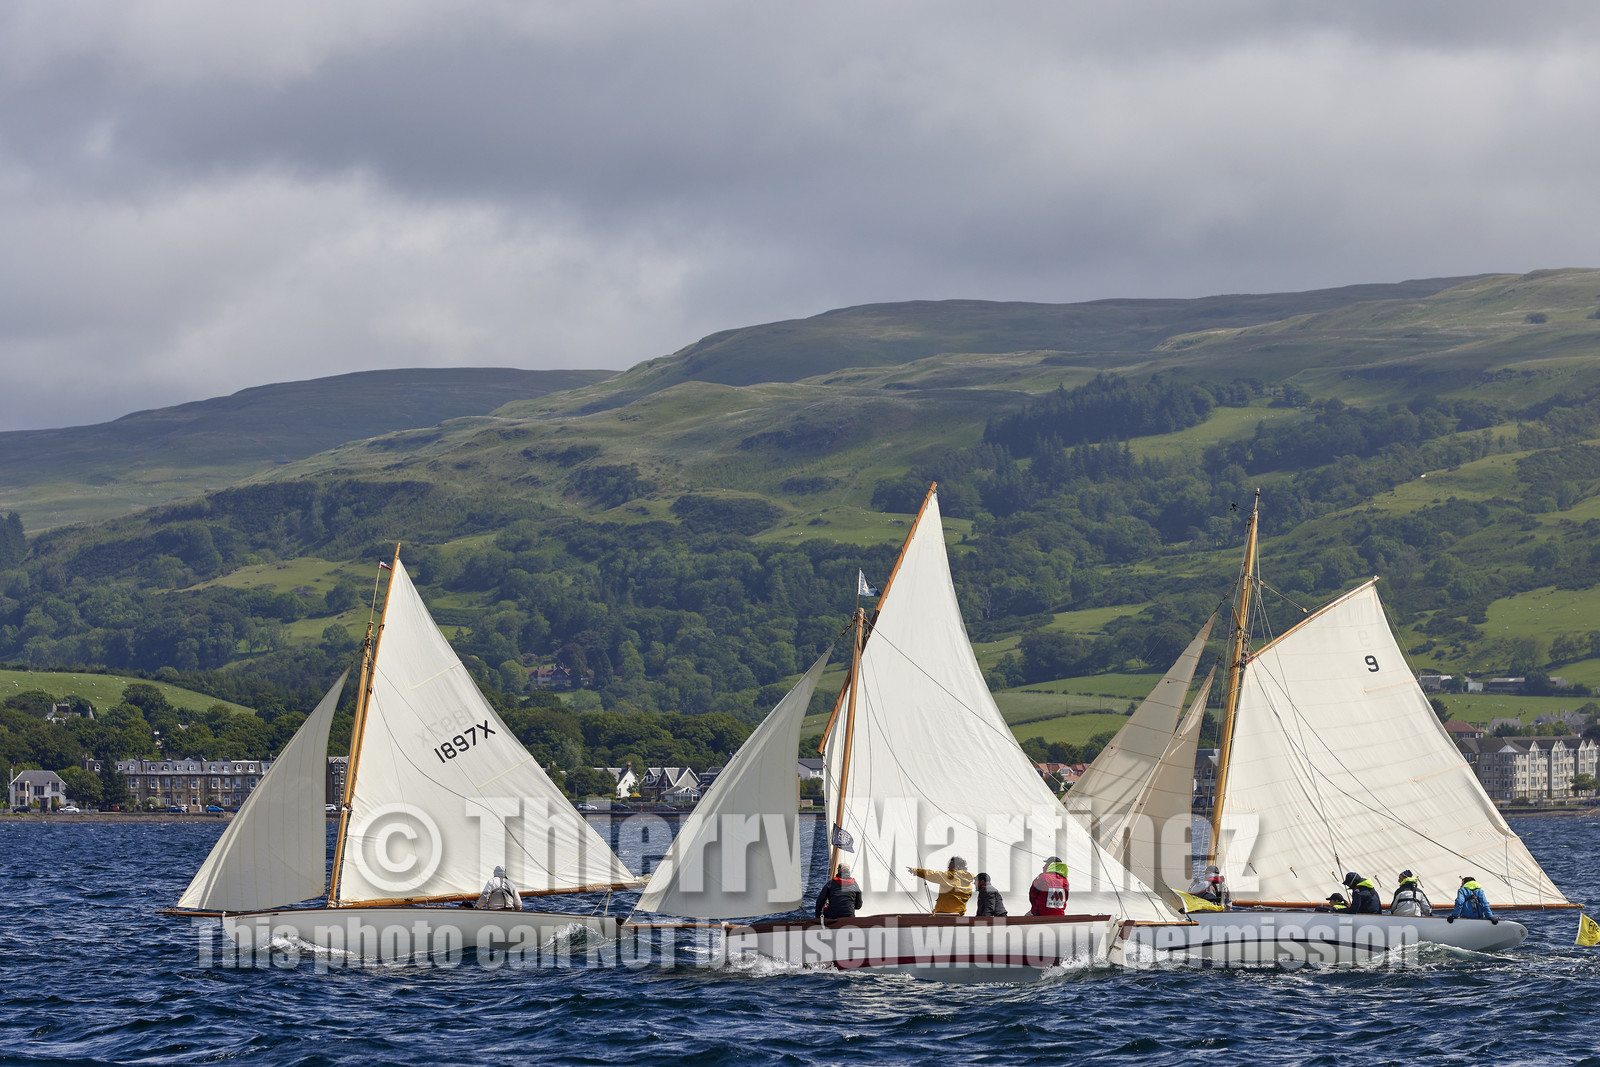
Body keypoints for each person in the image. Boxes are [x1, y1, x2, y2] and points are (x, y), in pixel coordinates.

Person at [907, 856, 975, 914]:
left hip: (944, 914)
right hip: (959, 915)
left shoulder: (951, 876)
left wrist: (916, 871)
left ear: (956, 866)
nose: (948, 867)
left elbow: (933, 875)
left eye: (950, 865)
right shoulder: (967, 881)